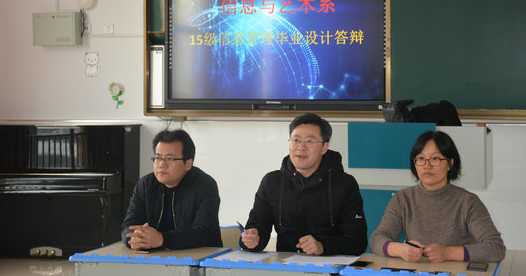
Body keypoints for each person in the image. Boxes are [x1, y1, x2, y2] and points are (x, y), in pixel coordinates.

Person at [239, 113, 367, 256]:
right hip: (286, 266)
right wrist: (252, 240)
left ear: (324, 147)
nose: (301, 147)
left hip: (331, 265)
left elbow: (357, 241)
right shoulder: (272, 182)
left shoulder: (345, 184)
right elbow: (257, 226)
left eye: (310, 141)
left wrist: (323, 246)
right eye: (296, 140)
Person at [370, 130, 505, 263]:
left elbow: (496, 249)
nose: (427, 166)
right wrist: (400, 249)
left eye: (435, 159)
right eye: (421, 159)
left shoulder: (468, 202)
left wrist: (448, 253)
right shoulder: (402, 199)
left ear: (450, 164)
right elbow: (376, 239)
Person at [121, 129, 222, 250]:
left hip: (200, 256)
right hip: (154, 256)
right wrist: (135, 238)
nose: (161, 164)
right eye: (158, 158)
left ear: (188, 164)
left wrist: (163, 239)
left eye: (170, 159)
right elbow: (128, 225)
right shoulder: (145, 185)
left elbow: (202, 232)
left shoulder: (205, 186)